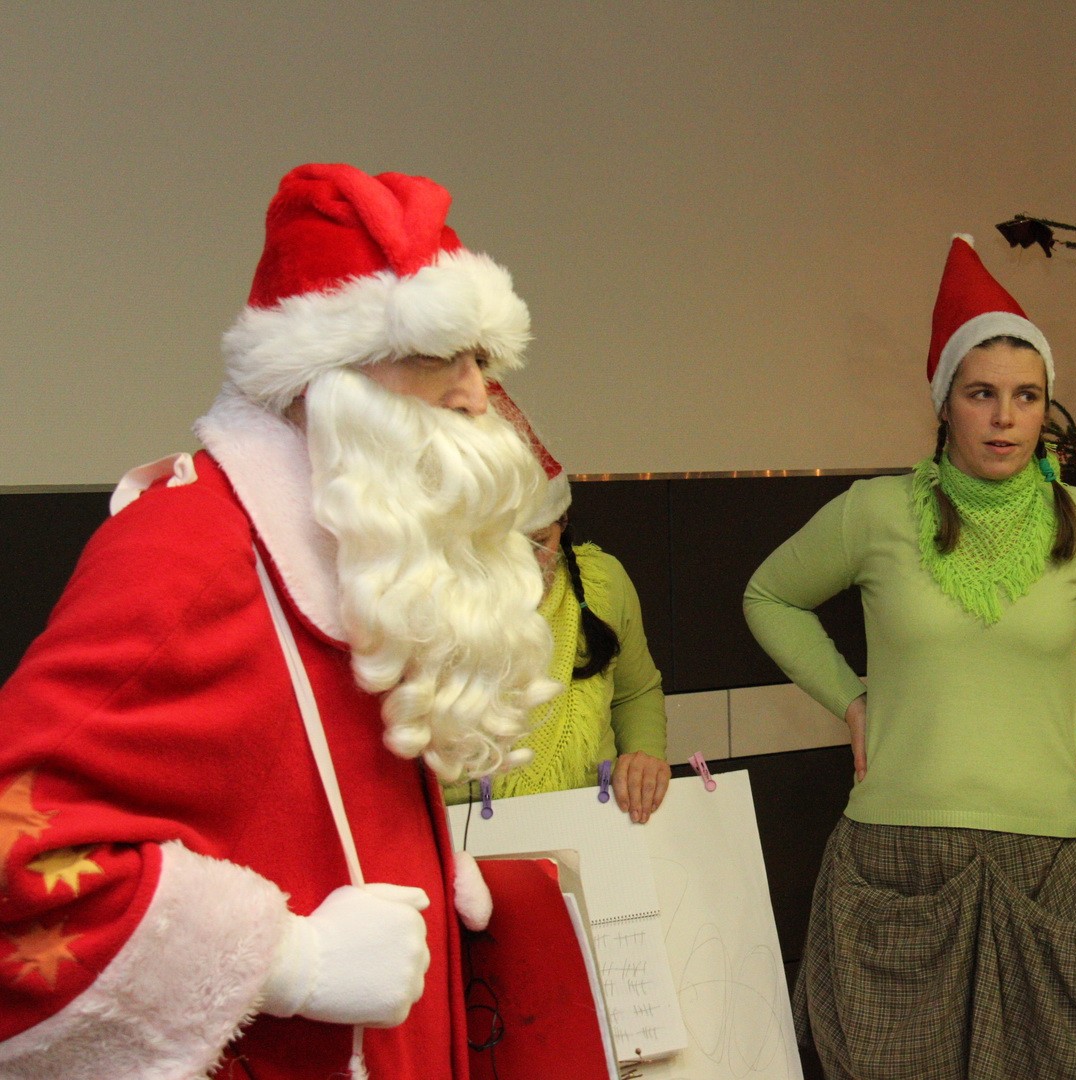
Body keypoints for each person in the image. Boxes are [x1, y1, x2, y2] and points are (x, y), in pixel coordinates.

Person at [0, 163, 558, 1079]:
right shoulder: (190, 551)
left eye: (482, 361)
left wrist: (420, 861)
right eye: (435, 355)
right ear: (318, 376)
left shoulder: (355, 543)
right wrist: (286, 959)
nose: (473, 396)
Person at [744, 235, 1076, 1080]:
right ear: (945, 404)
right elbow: (770, 596)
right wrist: (852, 702)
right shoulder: (874, 513)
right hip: (900, 861)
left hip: (1055, 862)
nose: (1004, 417)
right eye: (982, 393)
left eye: (1027, 396)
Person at [445, 384, 671, 823]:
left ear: (562, 523)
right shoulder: (426, 600)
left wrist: (644, 754)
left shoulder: (603, 582)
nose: (524, 564)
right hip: (470, 830)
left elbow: (636, 691)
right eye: (501, 546)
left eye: (539, 542)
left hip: (593, 818)